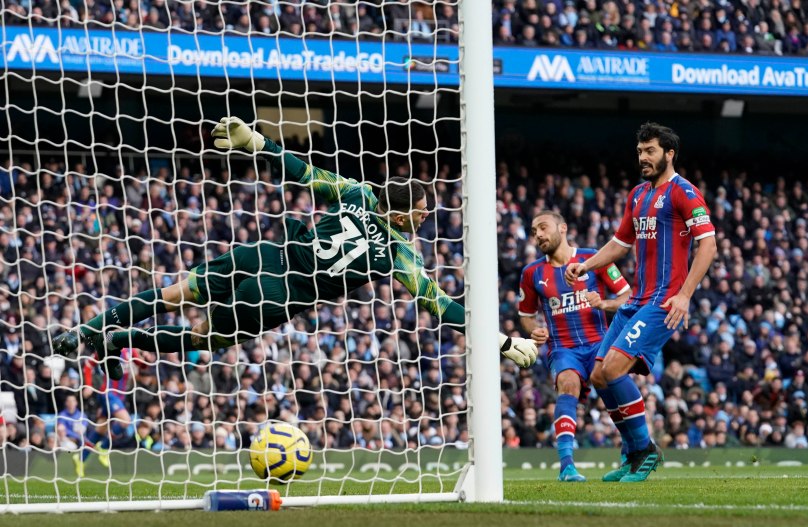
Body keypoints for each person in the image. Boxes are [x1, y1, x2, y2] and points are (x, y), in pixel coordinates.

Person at [53, 116, 537, 378]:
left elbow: (304, 173)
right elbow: (442, 305)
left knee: (173, 294)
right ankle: (120, 341)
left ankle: (90, 329)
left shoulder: (358, 192)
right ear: (401, 215)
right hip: (280, 294)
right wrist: (501, 342)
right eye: (421, 212)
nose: (426, 217)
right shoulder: (399, 254)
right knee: (202, 339)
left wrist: (257, 143)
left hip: (263, 255)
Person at [566, 122, 717, 482]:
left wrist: (685, 295)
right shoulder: (637, 194)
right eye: (640, 152)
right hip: (636, 300)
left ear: (669, 154)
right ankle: (634, 454)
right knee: (598, 376)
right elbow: (620, 244)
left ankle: (645, 450)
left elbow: (708, 245)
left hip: (663, 302)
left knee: (613, 369)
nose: (643, 158)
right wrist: (586, 265)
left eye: (650, 151)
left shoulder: (685, 192)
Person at [518, 210, 631, 482]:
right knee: (568, 384)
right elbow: (525, 315)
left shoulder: (594, 259)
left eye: (543, 227)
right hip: (563, 348)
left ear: (563, 228)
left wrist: (604, 304)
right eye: (534, 232)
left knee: (614, 395)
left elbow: (627, 296)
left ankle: (631, 455)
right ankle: (566, 466)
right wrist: (535, 330)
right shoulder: (531, 273)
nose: (538, 235)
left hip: (600, 344)